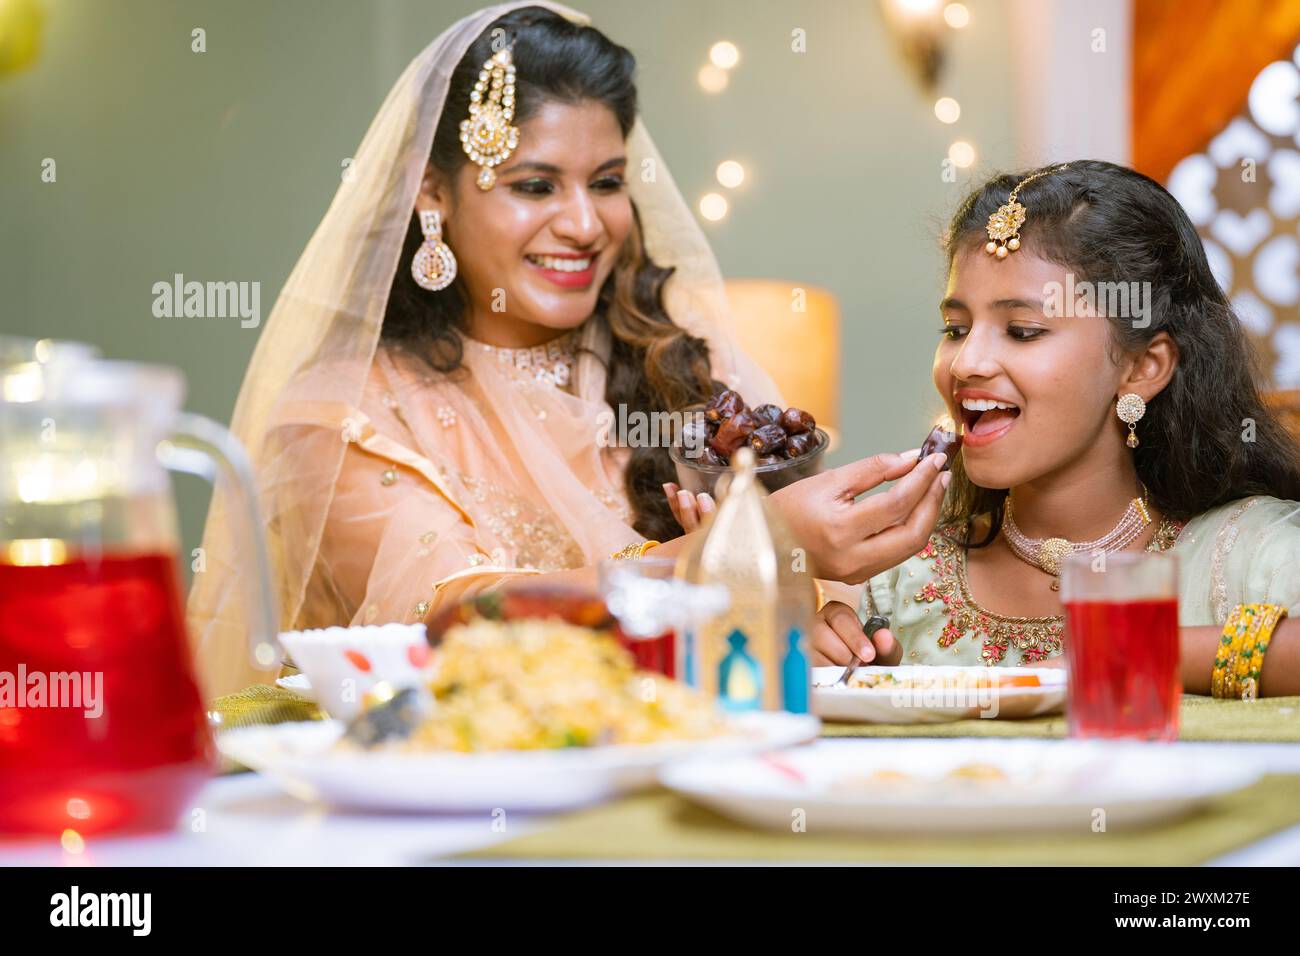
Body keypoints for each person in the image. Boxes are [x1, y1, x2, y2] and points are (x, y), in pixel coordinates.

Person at [187, 2, 947, 697]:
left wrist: (814, 622)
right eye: (535, 185)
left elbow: (785, 607)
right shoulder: (342, 414)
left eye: (607, 182)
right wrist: (726, 557)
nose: (585, 224)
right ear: (433, 195)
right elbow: (450, 622)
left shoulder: (686, 362)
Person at [810, 160, 1300, 697]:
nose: (965, 362)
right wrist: (820, 655)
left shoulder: (1251, 553)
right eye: (955, 329)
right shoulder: (902, 580)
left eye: (1022, 331)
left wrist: (1130, 650)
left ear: (1143, 368)